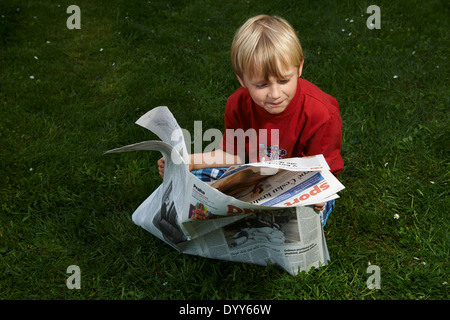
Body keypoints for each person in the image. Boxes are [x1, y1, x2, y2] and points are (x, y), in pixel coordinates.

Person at [158, 15, 343, 226]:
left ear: (299, 67)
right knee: (196, 179)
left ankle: (244, 219)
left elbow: (323, 171)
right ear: (241, 79)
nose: (275, 93)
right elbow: (232, 156)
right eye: (261, 85)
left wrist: (316, 197)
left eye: (284, 80)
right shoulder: (237, 104)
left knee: (305, 216)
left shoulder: (321, 112)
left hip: (298, 185)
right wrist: (187, 162)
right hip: (255, 175)